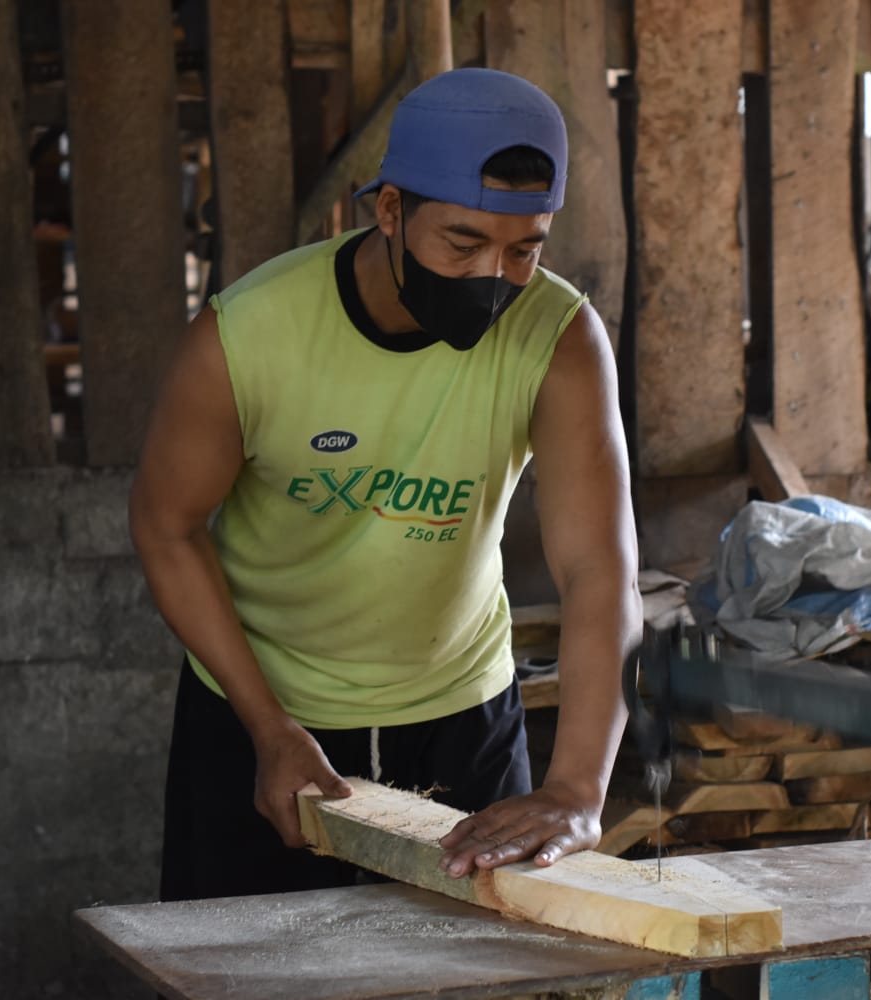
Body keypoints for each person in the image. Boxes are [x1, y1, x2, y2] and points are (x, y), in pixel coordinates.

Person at [129, 67, 641, 901]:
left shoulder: (559, 337)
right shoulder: (248, 335)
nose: (494, 277)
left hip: (460, 717)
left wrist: (577, 788)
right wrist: (266, 724)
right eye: (463, 244)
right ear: (390, 210)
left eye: (524, 250)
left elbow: (600, 571)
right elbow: (166, 527)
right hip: (262, 714)